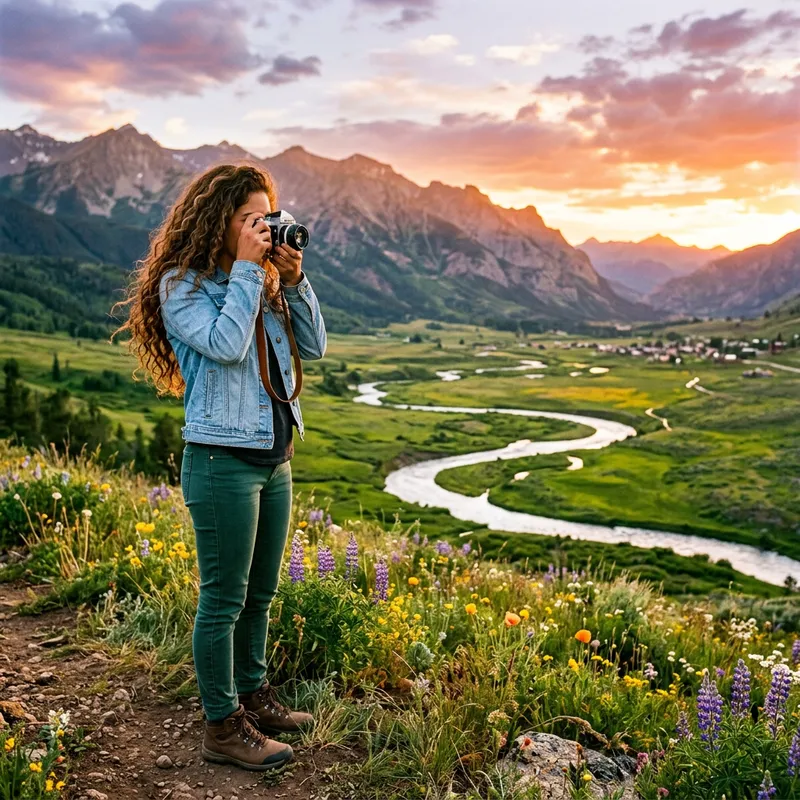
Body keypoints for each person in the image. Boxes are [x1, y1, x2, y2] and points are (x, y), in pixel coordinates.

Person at [112, 163, 327, 771]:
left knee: (260, 593)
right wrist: (244, 273)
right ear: (220, 223)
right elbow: (228, 345)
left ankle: (254, 697)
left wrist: (293, 279)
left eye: (269, 218)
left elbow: (314, 347)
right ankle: (221, 725)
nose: (264, 230)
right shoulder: (182, 285)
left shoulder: (263, 279)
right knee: (224, 599)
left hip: (275, 454)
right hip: (221, 460)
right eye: (250, 220)